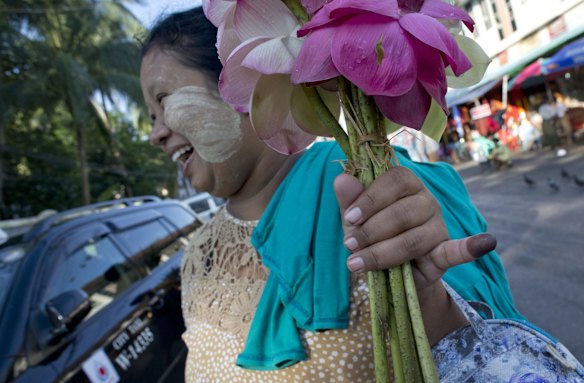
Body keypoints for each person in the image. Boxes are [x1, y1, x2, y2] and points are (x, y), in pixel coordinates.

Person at [140, 7, 583, 382]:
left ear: (243, 81)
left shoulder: (374, 184)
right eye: (150, 114)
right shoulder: (197, 257)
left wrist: (432, 301)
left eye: (164, 100)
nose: (156, 133)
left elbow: (489, 352)